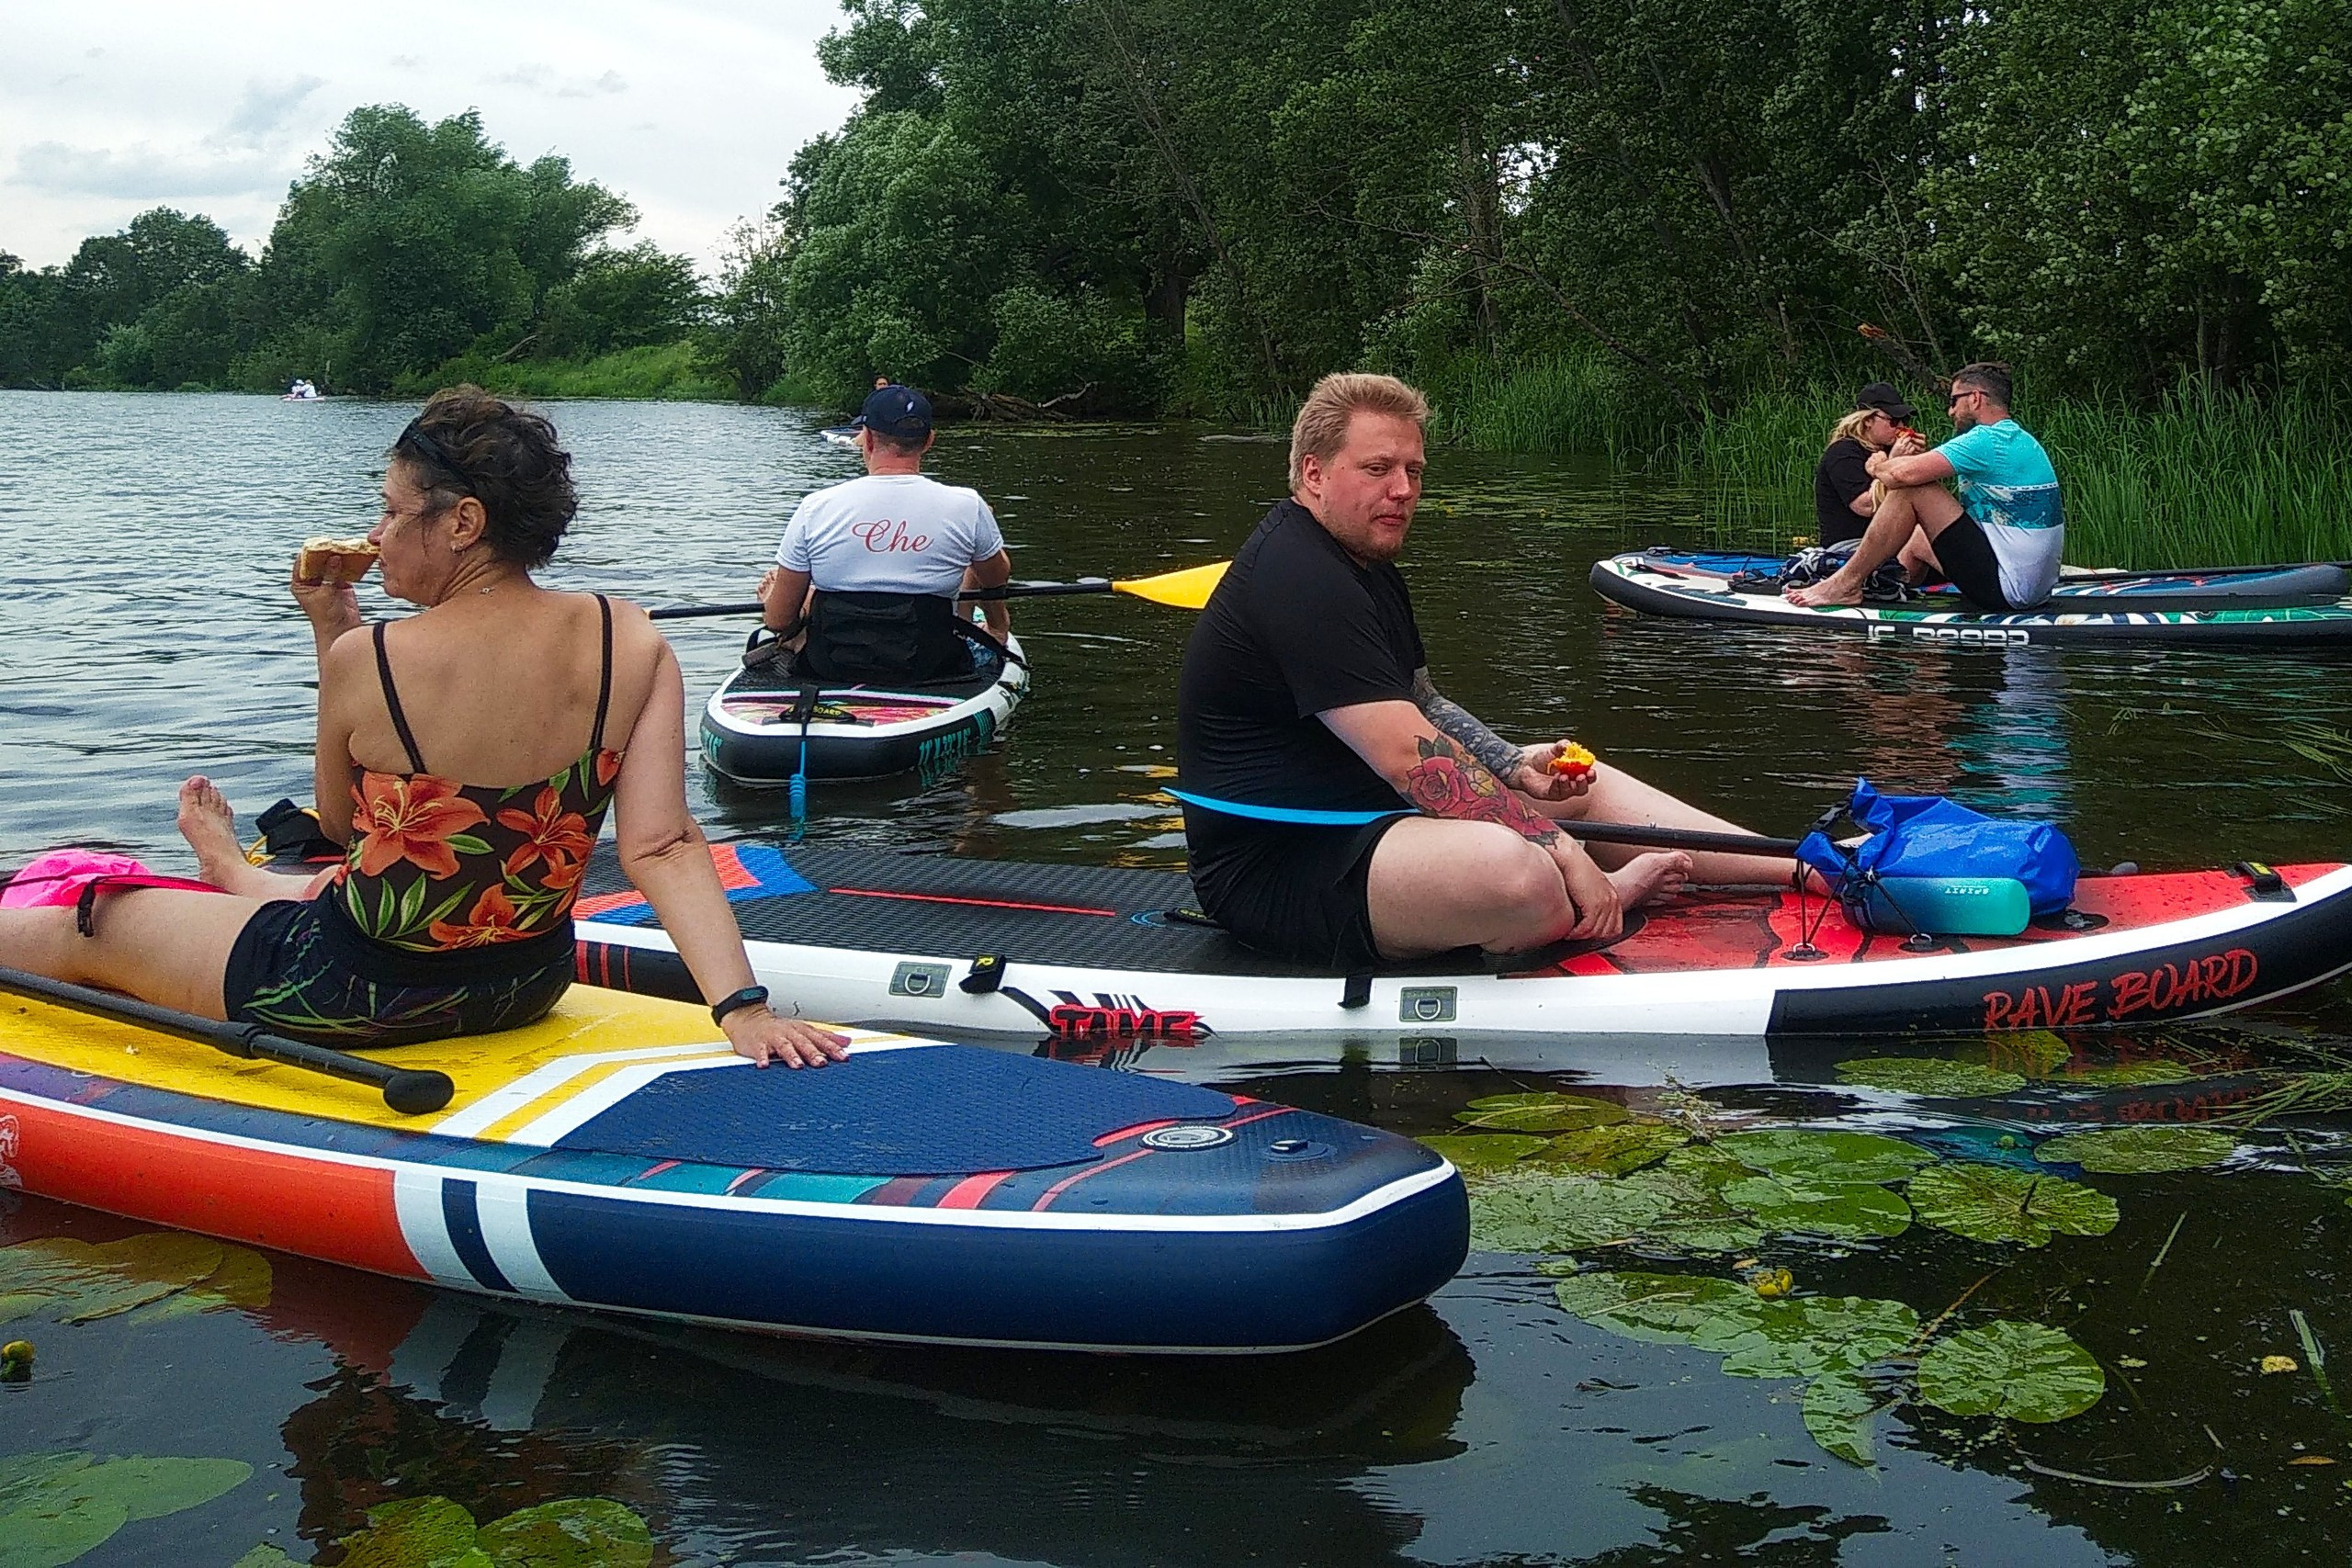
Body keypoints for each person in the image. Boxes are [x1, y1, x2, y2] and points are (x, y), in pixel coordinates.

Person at [0, 387, 846, 1068]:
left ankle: (197, 884)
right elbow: (660, 845)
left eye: (392, 510)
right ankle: (226, 868)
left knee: (95, 919)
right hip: (524, 980)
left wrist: (334, 629)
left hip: (349, 992)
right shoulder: (633, 638)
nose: (375, 533)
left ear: (463, 523)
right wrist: (744, 1008)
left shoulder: (369, 656)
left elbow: (338, 828)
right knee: (343, 890)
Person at [1175, 372, 1791, 969]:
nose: (1403, 489)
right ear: (1313, 472)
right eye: (1378, 468)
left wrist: (1515, 765)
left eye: (1413, 471)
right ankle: (1599, 893)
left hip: (1370, 819)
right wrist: (1567, 855)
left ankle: (1798, 865)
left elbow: (1425, 705)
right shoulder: (1298, 576)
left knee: (1577, 778)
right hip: (1281, 863)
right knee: (1514, 870)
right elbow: (1409, 758)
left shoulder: (1365, 564)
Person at [757, 383, 1013, 682]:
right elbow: (996, 580)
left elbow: (777, 621)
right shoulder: (968, 505)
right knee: (975, 557)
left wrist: (778, 603)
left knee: (788, 607)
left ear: (865, 440)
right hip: (931, 668)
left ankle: (809, 606)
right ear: (929, 441)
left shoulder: (815, 508)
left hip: (831, 667)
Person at [1786, 362, 2063, 612]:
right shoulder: (2019, 438)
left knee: (1914, 490)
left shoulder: (1985, 439)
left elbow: (1905, 477)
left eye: (1955, 401)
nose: (1950, 410)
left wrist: (1878, 466)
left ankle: (1845, 585)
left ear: (1975, 398)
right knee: (1919, 536)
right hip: (2034, 588)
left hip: (2009, 590)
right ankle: (1888, 586)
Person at [1813, 382, 1917, 547]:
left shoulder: (1890, 449)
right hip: (1849, 545)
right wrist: (1892, 465)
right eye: (1894, 421)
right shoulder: (1842, 452)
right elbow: (1865, 506)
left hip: (1891, 539)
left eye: (1904, 420)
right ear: (1868, 420)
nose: (1901, 427)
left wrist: (1918, 460)